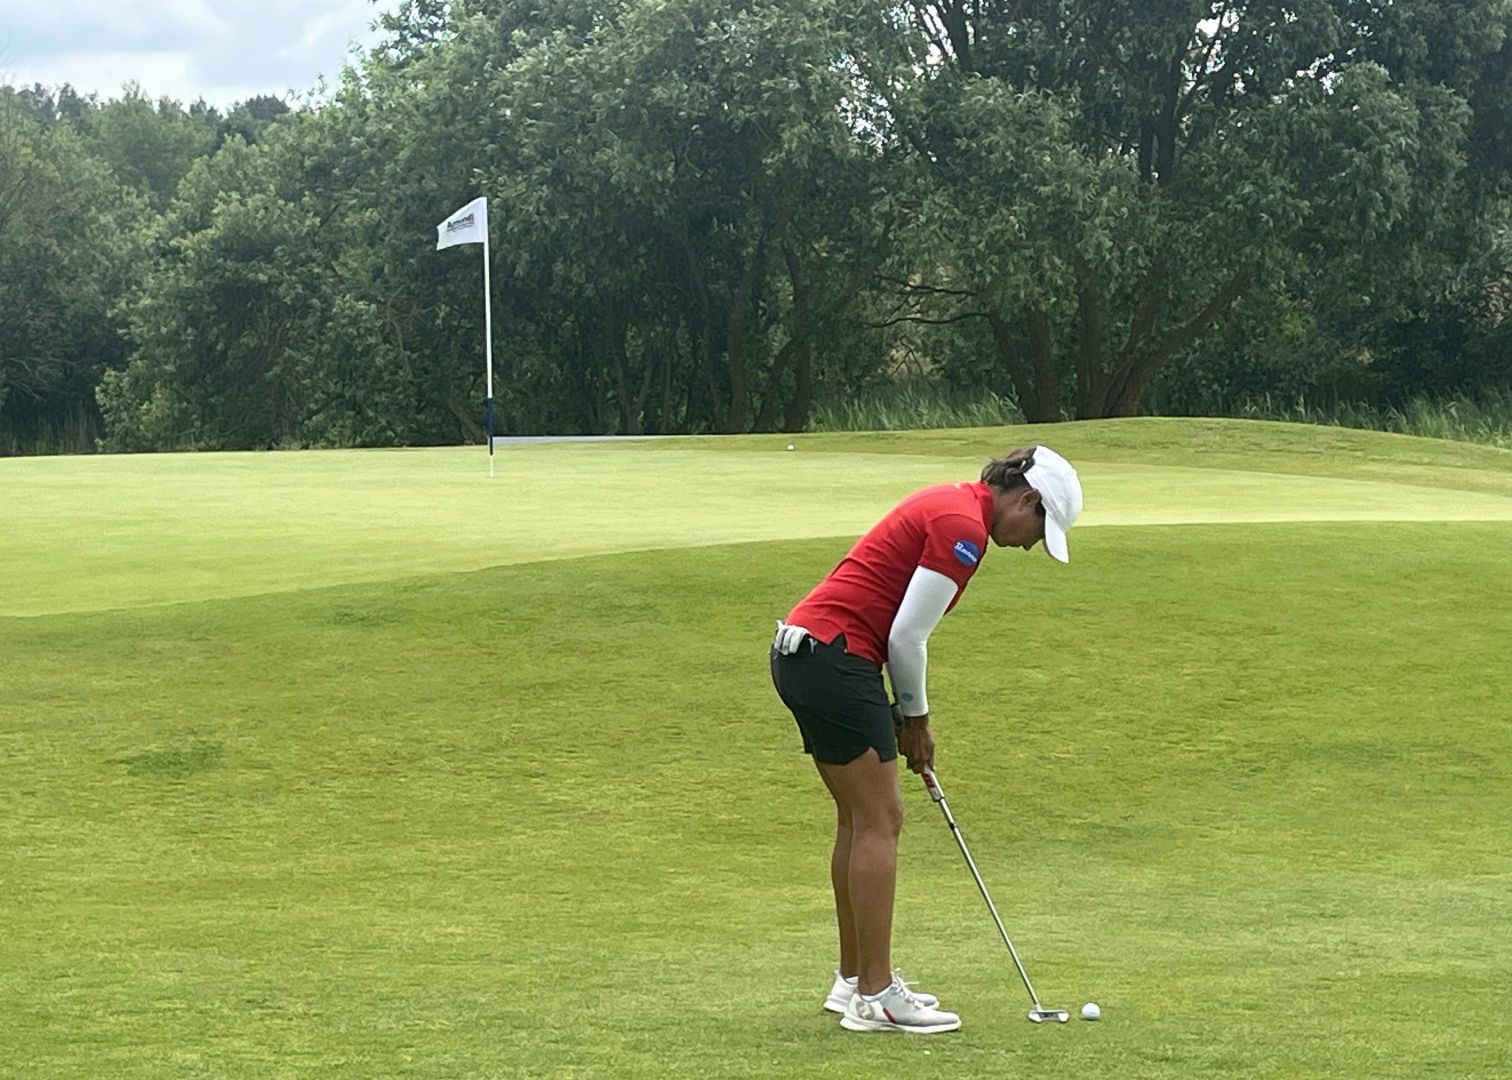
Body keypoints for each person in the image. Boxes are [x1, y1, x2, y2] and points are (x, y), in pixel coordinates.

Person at [769, 445, 1083, 1035]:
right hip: (835, 657)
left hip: (807, 654)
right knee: (881, 820)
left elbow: (892, 628)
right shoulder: (964, 529)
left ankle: (853, 981)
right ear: (1028, 499)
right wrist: (916, 721)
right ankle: (879, 994)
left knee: (858, 821)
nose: (1029, 545)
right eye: (1039, 530)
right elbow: (908, 637)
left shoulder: (951, 502)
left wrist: (900, 712)